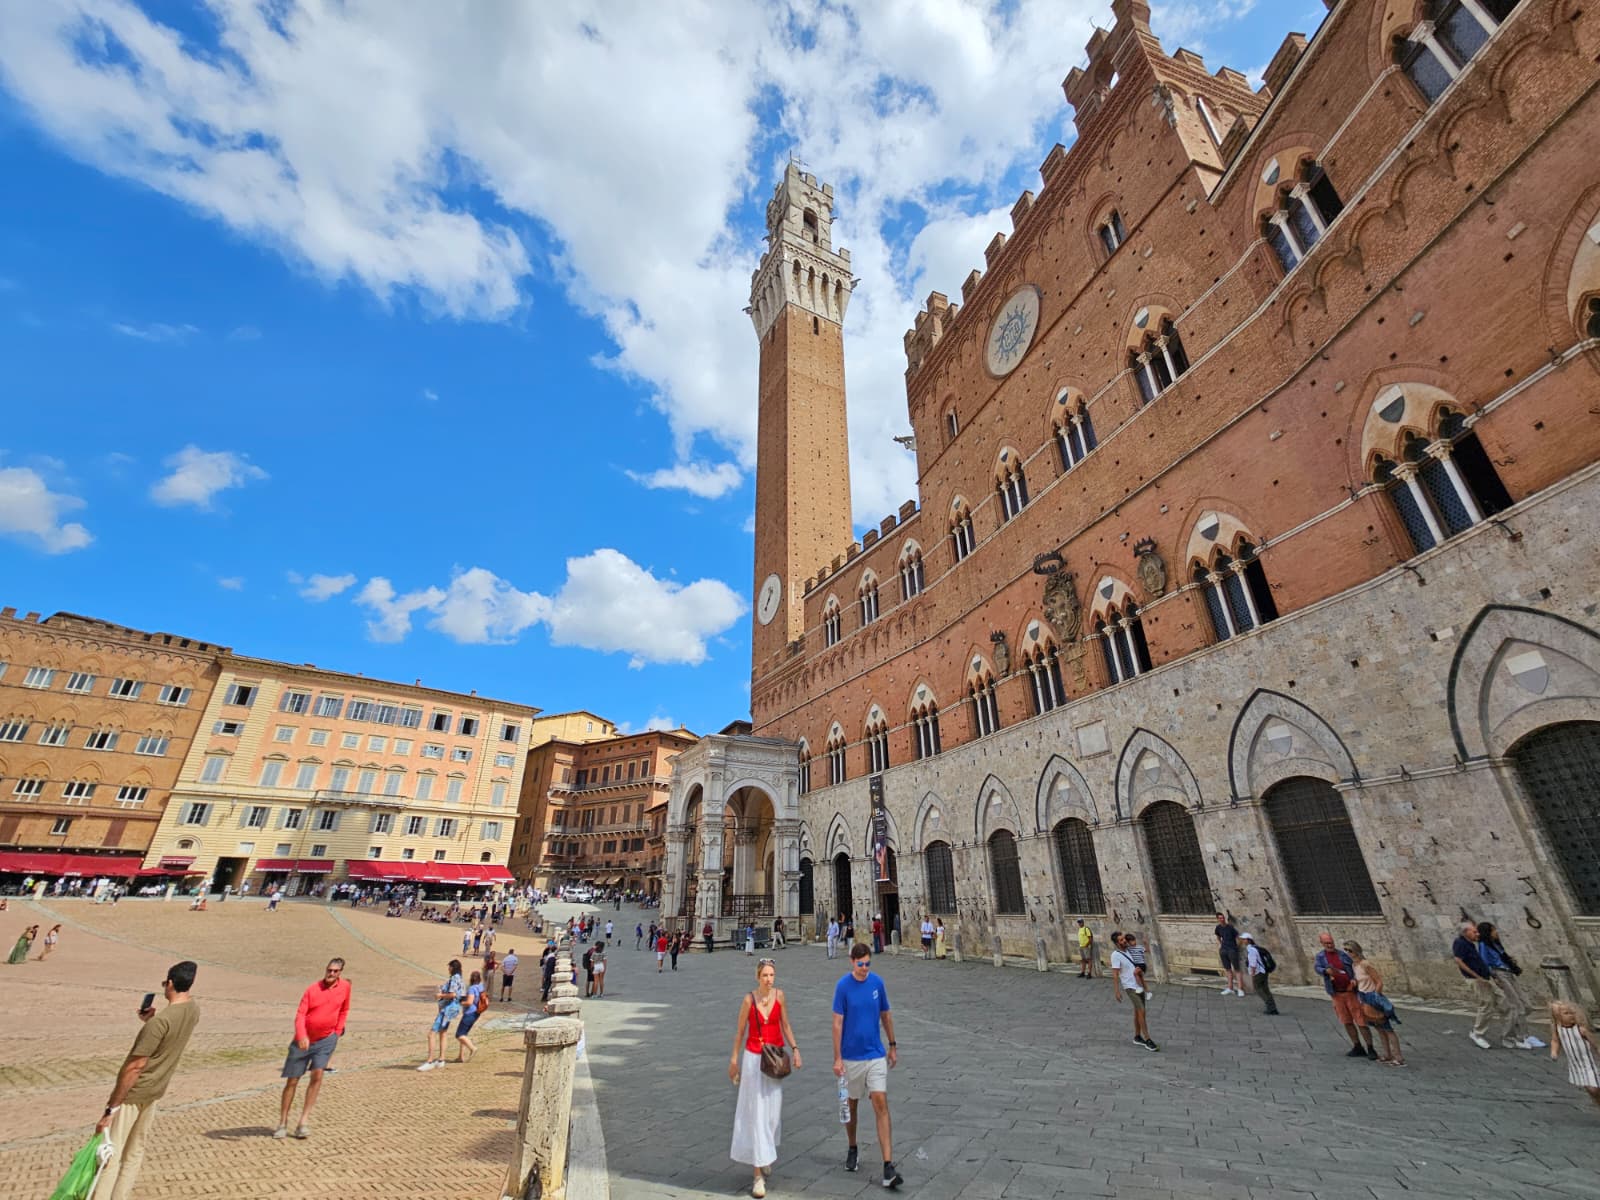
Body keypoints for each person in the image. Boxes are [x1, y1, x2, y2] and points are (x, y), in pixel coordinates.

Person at [91, 960, 200, 1200]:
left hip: (133, 1094)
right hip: (156, 1091)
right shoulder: (193, 1010)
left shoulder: (161, 1022)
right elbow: (169, 1039)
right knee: (134, 1153)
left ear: (170, 983)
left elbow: (135, 1066)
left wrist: (111, 1108)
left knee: (111, 1153)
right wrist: (151, 1021)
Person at [730, 957, 802, 1198]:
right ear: (757, 977)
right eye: (765, 976)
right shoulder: (748, 1000)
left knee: (772, 1116)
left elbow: (786, 1025)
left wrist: (796, 1049)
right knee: (757, 1116)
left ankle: (766, 1151)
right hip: (753, 1060)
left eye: (772, 975)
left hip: (775, 1060)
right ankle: (757, 1175)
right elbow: (740, 1032)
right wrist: (733, 1061)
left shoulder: (780, 996)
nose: (769, 980)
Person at [832, 943, 902, 1189]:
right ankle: (852, 1146)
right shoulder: (842, 987)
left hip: (875, 1055)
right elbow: (837, 1023)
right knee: (851, 1106)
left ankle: (888, 1165)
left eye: (867, 964)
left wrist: (892, 1045)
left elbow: (886, 1015)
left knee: (880, 1102)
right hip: (851, 1057)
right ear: (852, 962)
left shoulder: (877, 983)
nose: (864, 968)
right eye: (860, 964)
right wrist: (838, 1058)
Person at [276, 958, 350, 1138]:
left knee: (317, 1074)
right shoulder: (312, 989)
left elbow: (344, 1009)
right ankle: (283, 1122)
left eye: (335, 971)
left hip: (326, 1040)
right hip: (303, 1040)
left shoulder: (345, 987)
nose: (331, 974)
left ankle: (303, 1121)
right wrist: (301, 1035)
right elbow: (300, 1014)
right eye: (329, 970)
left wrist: (337, 1031)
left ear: (340, 972)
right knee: (292, 1081)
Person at [1314, 931, 1377, 1059]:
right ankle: (1357, 1046)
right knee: (1346, 1021)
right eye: (1326, 943)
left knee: (1361, 1021)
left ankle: (1370, 1048)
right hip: (1336, 994)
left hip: (1351, 993)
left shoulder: (1343, 955)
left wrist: (1354, 979)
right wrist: (1325, 970)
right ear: (1321, 943)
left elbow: (1355, 967)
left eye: (1331, 942)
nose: (1329, 945)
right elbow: (1317, 968)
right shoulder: (1320, 956)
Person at [1478, 921, 1536, 1049]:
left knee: (1526, 1005)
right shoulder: (1483, 945)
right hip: (1500, 975)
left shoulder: (1496, 944)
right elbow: (1484, 962)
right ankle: (1519, 1037)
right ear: (1488, 932)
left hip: (1509, 973)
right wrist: (1493, 978)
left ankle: (1519, 1034)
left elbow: (1502, 957)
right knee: (1516, 1005)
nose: (1496, 932)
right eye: (1493, 930)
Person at [1452, 921, 1508, 1050]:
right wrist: (1476, 976)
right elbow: (1459, 961)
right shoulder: (1460, 943)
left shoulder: (1470, 944)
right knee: (1486, 1004)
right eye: (1474, 931)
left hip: (1484, 977)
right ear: (1465, 932)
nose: (1477, 934)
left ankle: (1509, 1033)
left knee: (1503, 1000)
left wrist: (1490, 976)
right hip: (1476, 979)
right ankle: (1478, 1033)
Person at [1345, 940, 1402, 1065]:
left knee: (1387, 1027)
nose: (1348, 952)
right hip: (1363, 996)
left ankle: (1398, 1057)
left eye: (1350, 950)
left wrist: (1376, 995)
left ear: (1356, 950)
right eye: (1346, 950)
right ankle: (1387, 1054)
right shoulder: (1354, 965)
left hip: (1372, 996)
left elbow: (1379, 980)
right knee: (1378, 1028)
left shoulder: (1365, 964)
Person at [1110, 932, 1158, 1051]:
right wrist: (1116, 991)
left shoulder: (1129, 951)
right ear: (1117, 943)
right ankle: (1147, 1039)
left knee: (1138, 1012)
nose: (1124, 941)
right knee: (1142, 1011)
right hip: (1130, 987)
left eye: (1124, 939)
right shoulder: (1115, 955)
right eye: (1121, 940)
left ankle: (1137, 1036)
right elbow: (1115, 973)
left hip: (1138, 985)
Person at [1549, 1000, 1600, 1108]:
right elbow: (1555, 1041)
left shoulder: (1580, 1030)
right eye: (1566, 1013)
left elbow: (1594, 1042)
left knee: (1594, 1088)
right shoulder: (1557, 1029)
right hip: (1575, 1064)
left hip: (1588, 1063)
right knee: (1589, 1089)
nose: (1570, 1016)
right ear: (1558, 1016)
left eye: (1572, 1013)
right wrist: (1554, 1052)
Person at [419, 958, 464, 1070]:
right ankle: (441, 1059)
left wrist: (440, 996)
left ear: (453, 967)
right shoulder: (460, 979)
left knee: (432, 1033)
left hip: (448, 1008)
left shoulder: (454, 979)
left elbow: (452, 995)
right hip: (453, 1008)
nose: (448, 969)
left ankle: (430, 1061)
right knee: (443, 1033)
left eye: (449, 966)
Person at [1239, 933, 1278, 1015]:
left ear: (1248, 940)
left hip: (1258, 972)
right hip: (1264, 971)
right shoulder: (1256, 948)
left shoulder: (1251, 950)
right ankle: (1273, 1008)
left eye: (1244, 939)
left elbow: (1253, 963)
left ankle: (1270, 1007)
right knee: (1265, 989)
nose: (1243, 941)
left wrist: (1252, 973)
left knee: (1258, 989)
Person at [454, 970, 486, 1062]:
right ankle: (461, 1057)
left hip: (470, 1013)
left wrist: (460, 1002)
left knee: (459, 1035)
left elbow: (469, 1002)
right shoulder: (481, 987)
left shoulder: (472, 988)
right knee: (464, 1034)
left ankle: (472, 1048)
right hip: (476, 1012)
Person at [1214, 912, 1244, 996]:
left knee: (1237, 969)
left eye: (1223, 917)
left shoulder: (1230, 927)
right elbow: (1218, 936)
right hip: (1223, 950)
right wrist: (1221, 944)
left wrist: (1236, 947)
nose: (1222, 919)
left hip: (1232, 950)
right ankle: (1230, 988)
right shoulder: (1218, 928)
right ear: (1218, 919)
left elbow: (1238, 937)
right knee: (1228, 969)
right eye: (1220, 918)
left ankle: (1240, 988)